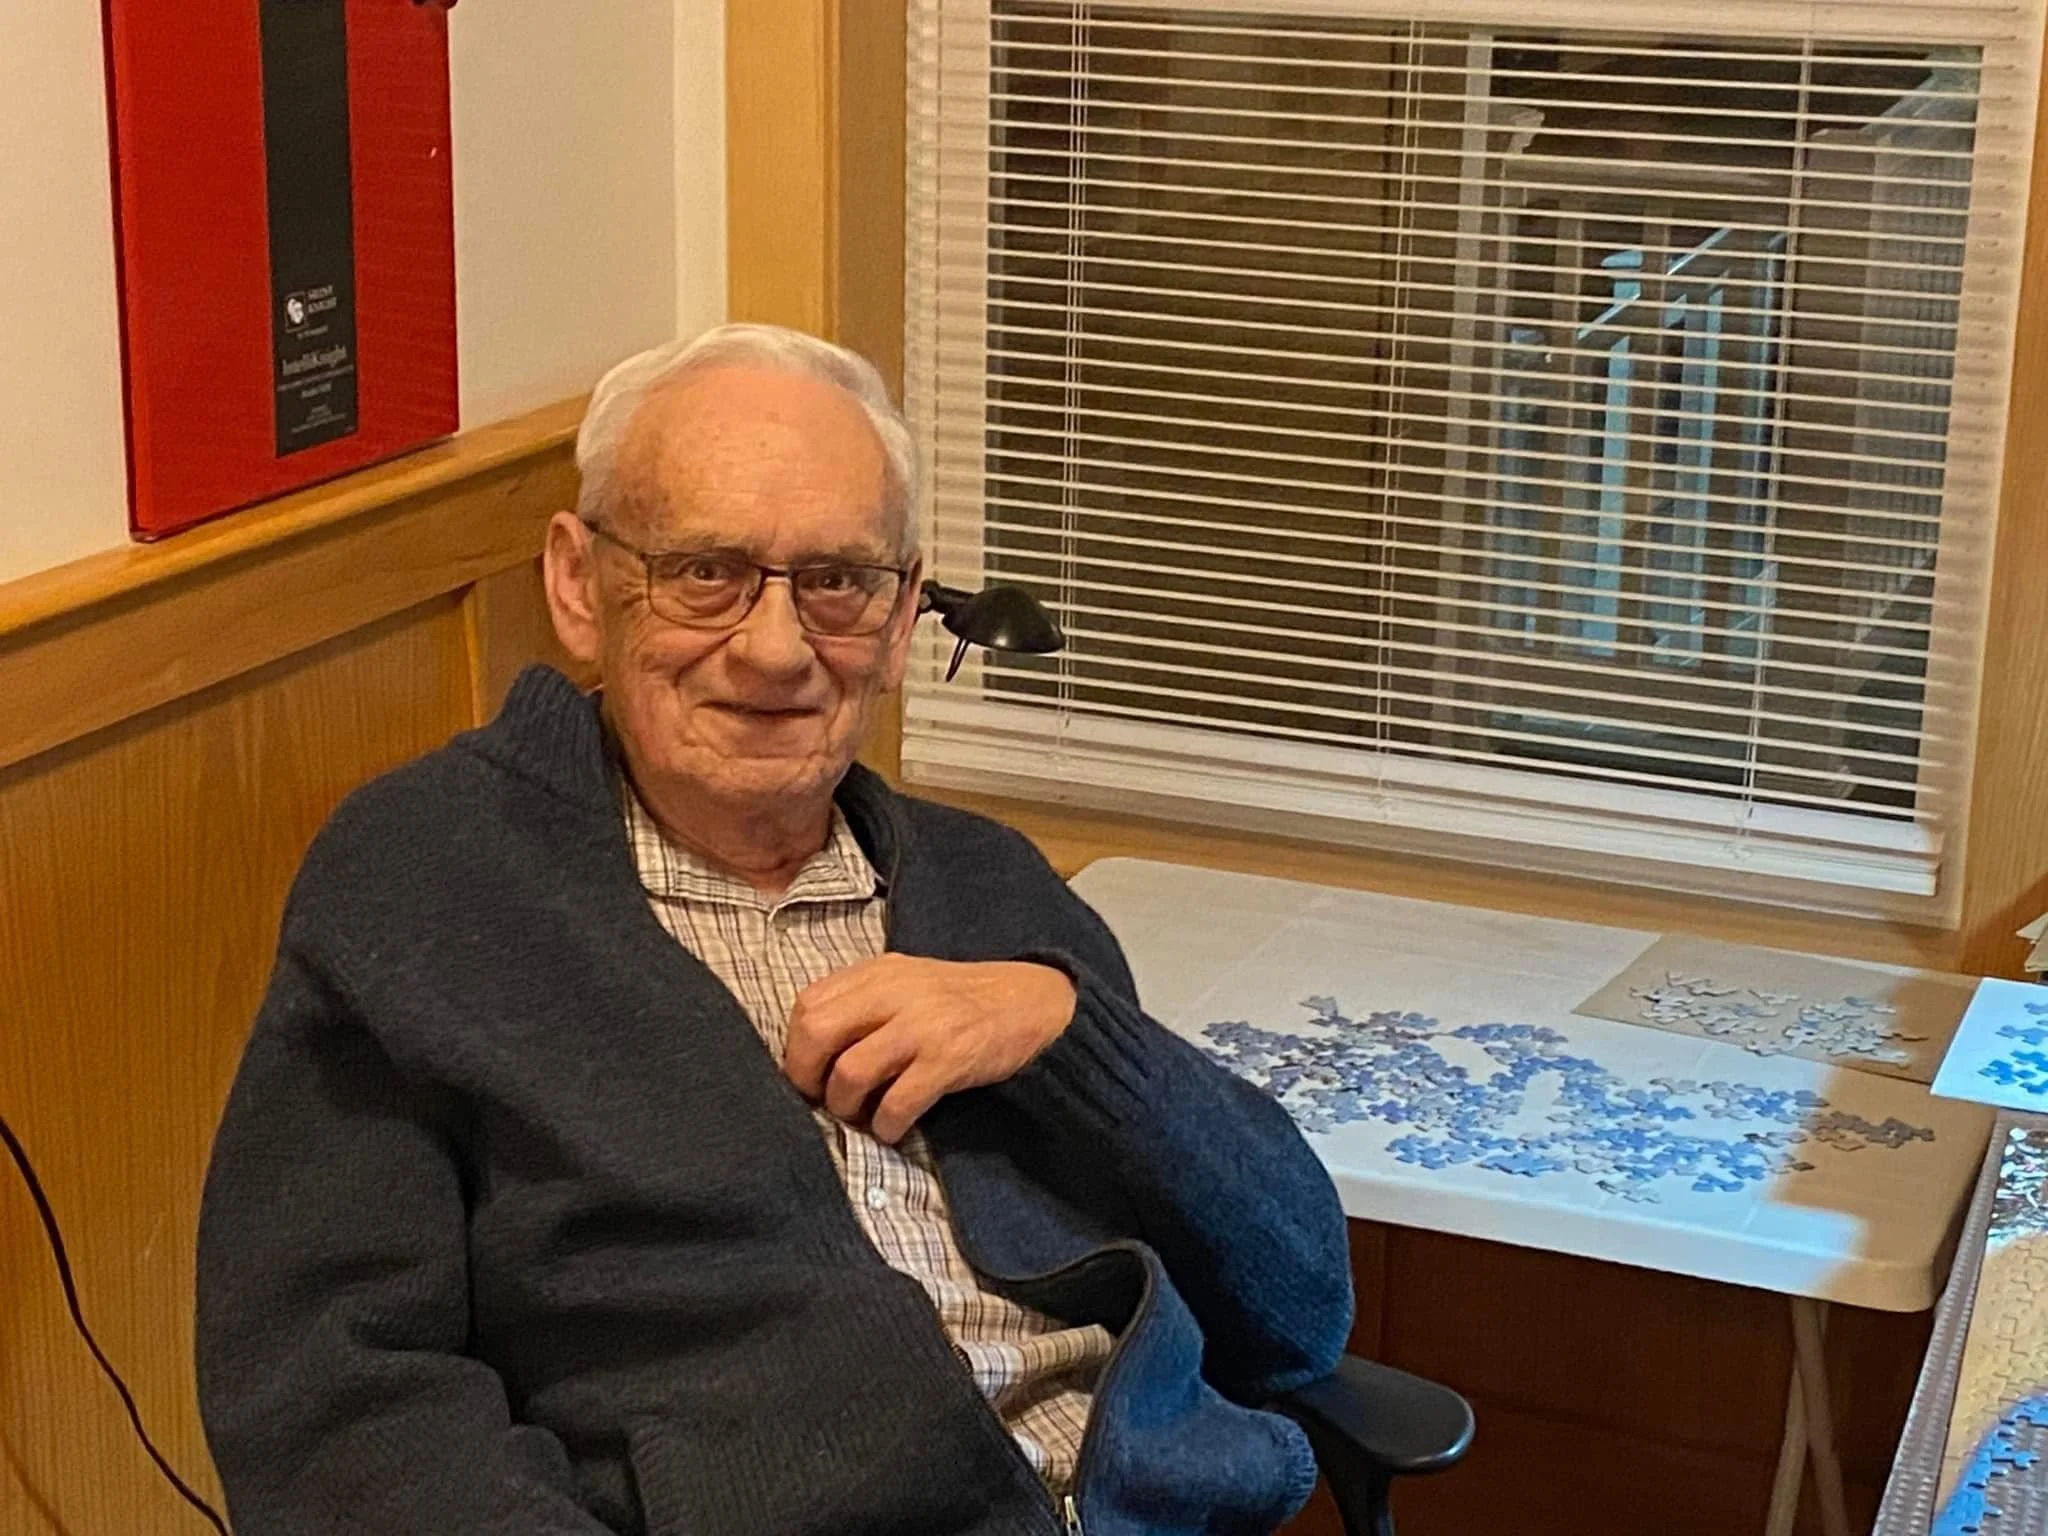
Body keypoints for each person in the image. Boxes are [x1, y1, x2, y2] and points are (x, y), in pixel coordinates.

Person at [195, 324, 1352, 1536]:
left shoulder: (991, 889)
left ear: (903, 618)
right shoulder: (428, 884)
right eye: (705, 572)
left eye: (836, 582)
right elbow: (337, 1402)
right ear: (580, 588)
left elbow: (1298, 1306)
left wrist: (1067, 1027)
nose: (773, 648)